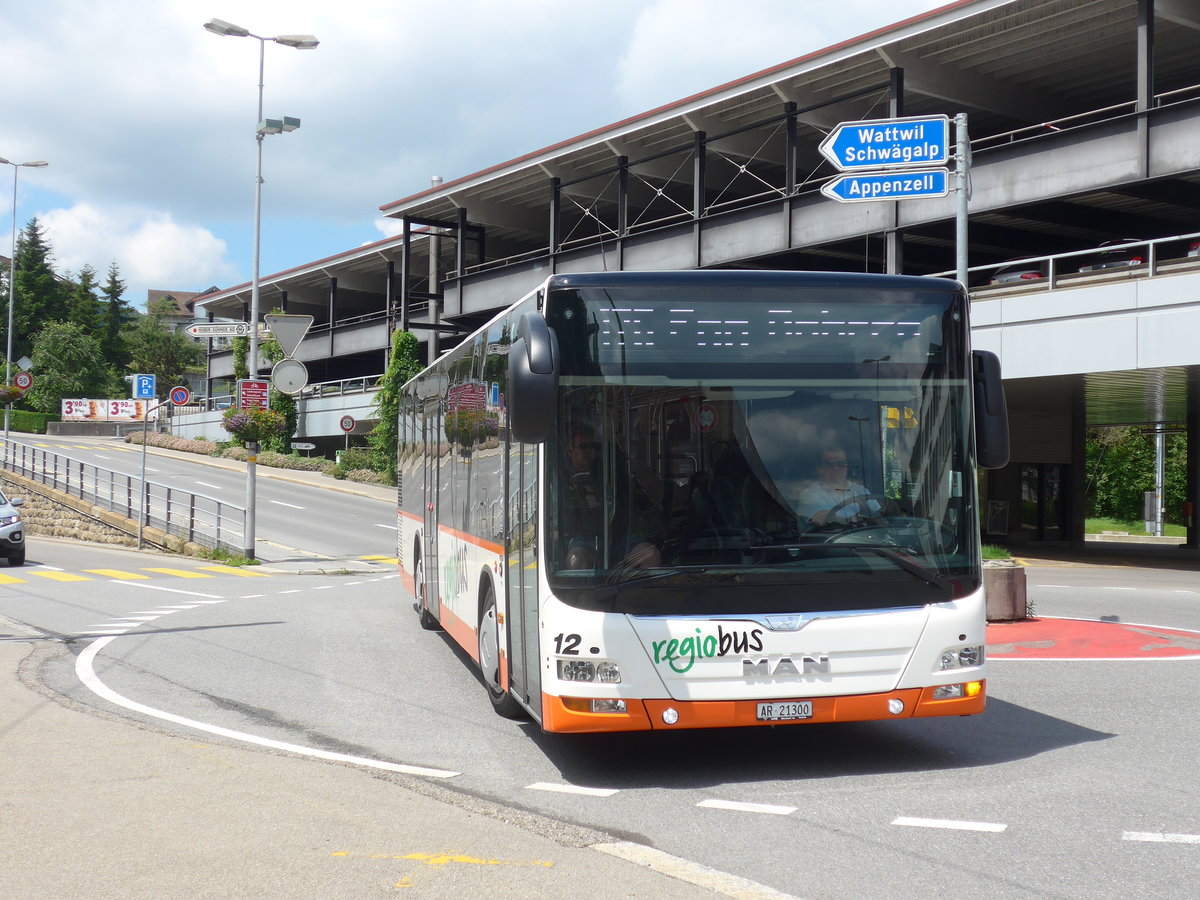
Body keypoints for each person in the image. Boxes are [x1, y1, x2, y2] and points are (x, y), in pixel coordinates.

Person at [560, 422, 661, 570]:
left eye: (593, 446)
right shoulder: (562, 476)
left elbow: (626, 502)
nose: (589, 451)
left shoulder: (609, 470)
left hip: (618, 539)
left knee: (651, 554)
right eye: (583, 446)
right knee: (576, 560)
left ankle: (629, 588)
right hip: (584, 540)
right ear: (570, 449)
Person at [796, 446, 883, 527]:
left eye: (841, 464)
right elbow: (827, 520)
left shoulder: (860, 490)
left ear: (847, 466)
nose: (836, 468)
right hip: (831, 541)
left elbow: (879, 516)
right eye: (829, 464)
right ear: (819, 468)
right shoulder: (810, 494)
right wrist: (860, 519)